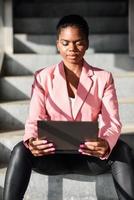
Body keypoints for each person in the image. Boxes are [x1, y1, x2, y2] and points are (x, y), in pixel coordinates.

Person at [3, 14, 134, 200]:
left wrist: (104, 143)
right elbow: (34, 119)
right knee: (20, 149)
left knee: (122, 150)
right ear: (57, 44)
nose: (71, 49)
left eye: (78, 42)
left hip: (89, 157)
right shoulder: (43, 77)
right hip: (52, 155)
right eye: (65, 43)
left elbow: (112, 121)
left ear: (87, 43)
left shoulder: (103, 78)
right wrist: (32, 141)